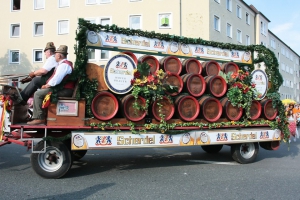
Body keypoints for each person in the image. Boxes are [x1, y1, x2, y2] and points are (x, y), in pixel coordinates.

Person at [27, 45, 75, 125]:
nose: (54, 56)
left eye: (55, 54)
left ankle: (39, 118)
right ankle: (42, 115)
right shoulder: (63, 64)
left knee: (38, 94)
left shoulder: (64, 65)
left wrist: (47, 86)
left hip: (65, 90)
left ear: (59, 55)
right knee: (41, 92)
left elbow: (56, 79)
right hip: (63, 89)